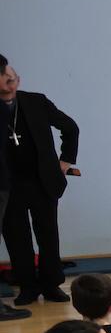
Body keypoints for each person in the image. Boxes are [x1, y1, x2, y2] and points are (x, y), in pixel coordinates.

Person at [0, 54, 81, 307]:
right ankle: (27, 287)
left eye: (12, 79)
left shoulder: (35, 102)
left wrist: (65, 161)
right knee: (16, 236)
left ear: (18, 79)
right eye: (4, 80)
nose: (9, 84)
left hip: (41, 180)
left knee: (48, 234)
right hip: (8, 184)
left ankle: (51, 284)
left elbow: (70, 128)